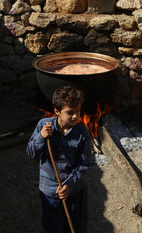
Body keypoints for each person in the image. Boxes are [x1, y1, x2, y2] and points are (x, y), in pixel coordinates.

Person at [26, 85, 93, 233]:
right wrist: (41, 137)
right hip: (49, 191)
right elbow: (31, 152)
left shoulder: (82, 133)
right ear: (57, 111)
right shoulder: (43, 126)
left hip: (75, 191)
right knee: (53, 228)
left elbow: (86, 163)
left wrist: (69, 184)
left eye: (78, 111)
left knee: (76, 227)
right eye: (70, 112)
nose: (76, 116)